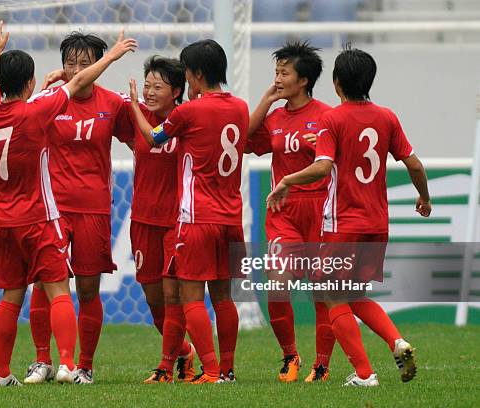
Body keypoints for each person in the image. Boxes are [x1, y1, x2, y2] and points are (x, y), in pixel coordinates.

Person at [0, 31, 138, 385]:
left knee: (81, 289)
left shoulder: (113, 103)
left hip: (84, 209)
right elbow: (18, 116)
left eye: (85, 62)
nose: (76, 69)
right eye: (71, 62)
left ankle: (81, 365)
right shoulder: (45, 102)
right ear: (37, 78)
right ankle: (46, 362)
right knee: (49, 286)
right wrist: (112, 56)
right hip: (48, 210)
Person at [267, 45, 431, 387]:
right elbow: (413, 163)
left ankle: (364, 374)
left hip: (342, 224)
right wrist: (424, 198)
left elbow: (322, 167)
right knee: (355, 294)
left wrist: (286, 180)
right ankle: (396, 341)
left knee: (333, 297)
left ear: (337, 82)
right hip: (376, 224)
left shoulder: (332, 119)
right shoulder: (387, 116)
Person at [129, 39, 248, 383]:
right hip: (230, 217)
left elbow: (153, 138)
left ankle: (209, 370)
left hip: (195, 217)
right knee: (223, 298)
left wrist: (137, 104)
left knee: (190, 296)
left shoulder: (189, 111)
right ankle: (225, 370)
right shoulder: (239, 108)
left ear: (195, 75)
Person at [246, 41, 335, 383]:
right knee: (278, 283)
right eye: (276, 72)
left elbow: (337, 163)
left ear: (304, 80)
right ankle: (290, 356)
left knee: (322, 290)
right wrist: (266, 101)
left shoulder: (327, 116)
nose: (278, 79)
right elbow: (243, 140)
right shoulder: (275, 118)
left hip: (321, 211)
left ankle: (322, 364)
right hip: (284, 210)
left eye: (285, 73)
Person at [127, 56, 195, 383]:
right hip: (142, 220)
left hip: (175, 222)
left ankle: (165, 367)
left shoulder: (188, 121)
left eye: (159, 86)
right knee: (154, 299)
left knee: (172, 295)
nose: (150, 92)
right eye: (148, 85)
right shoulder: (135, 114)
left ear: (177, 90)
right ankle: (183, 351)